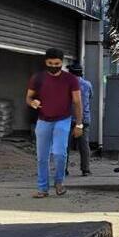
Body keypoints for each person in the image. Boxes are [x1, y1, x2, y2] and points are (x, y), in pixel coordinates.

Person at [26, 48, 83, 198]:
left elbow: (77, 102)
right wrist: (33, 103)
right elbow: (28, 98)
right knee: (42, 157)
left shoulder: (71, 79)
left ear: (61, 62)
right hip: (43, 121)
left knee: (59, 153)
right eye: (50, 63)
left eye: (57, 63)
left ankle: (59, 182)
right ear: (46, 62)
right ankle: (43, 188)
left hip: (63, 120)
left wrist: (79, 124)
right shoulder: (37, 78)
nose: (53, 66)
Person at [66, 63, 93, 176]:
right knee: (84, 145)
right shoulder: (87, 84)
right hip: (83, 119)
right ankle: (85, 169)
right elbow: (90, 97)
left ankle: (63, 169)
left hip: (68, 119)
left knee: (65, 145)